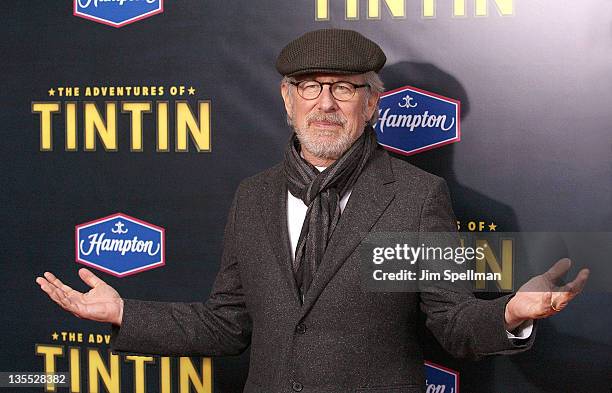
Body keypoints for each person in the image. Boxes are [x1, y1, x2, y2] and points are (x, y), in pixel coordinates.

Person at [36, 29, 589, 393]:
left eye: (345, 89)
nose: (325, 104)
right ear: (286, 99)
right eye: (309, 87)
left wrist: (510, 315)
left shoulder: (417, 197)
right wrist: (122, 314)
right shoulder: (253, 198)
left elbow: (450, 322)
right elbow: (227, 325)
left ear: (372, 105)